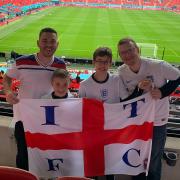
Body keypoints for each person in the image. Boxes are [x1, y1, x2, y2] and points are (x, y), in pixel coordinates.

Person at [3, 27, 66, 171]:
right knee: (24, 156)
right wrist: (8, 92)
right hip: (24, 119)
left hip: (49, 120)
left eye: (52, 41)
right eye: (45, 41)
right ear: (38, 43)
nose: (49, 45)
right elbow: (7, 77)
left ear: (57, 44)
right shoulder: (22, 61)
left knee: (47, 157)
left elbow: (62, 87)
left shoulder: (60, 65)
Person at [117, 37, 180, 180]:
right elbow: (126, 99)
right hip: (137, 121)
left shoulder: (158, 65)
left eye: (130, 50)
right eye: (123, 53)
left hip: (157, 120)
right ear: (120, 56)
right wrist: (139, 89)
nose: (128, 55)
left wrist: (163, 92)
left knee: (154, 160)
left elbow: (178, 76)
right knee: (136, 157)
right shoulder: (122, 71)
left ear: (137, 50)